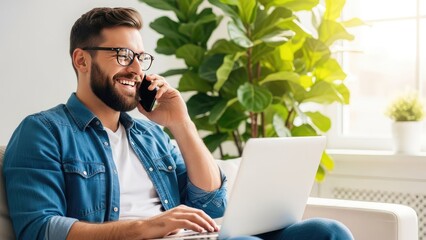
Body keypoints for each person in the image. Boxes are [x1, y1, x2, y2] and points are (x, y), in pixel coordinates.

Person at [3, 7, 353, 240]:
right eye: (122, 55)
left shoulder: (151, 134)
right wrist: (144, 228)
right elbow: (39, 228)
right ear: (81, 59)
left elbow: (214, 207)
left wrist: (181, 123)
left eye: (140, 57)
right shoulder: (44, 131)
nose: (136, 69)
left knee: (329, 232)